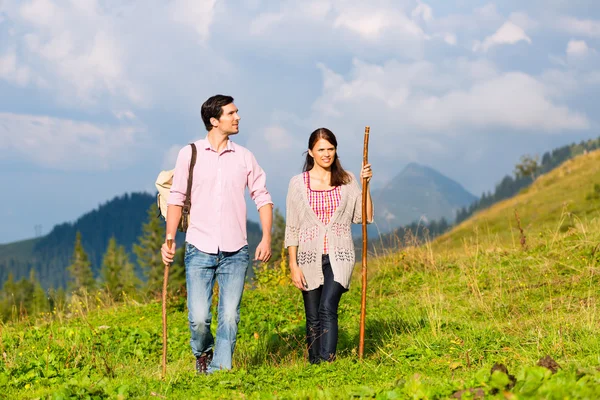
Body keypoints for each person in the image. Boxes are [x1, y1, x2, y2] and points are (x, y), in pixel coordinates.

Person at [161, 94, 273, 374]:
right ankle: (203, 353)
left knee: (230, 315)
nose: (237, 117)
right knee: (199, 317)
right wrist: (170, 238)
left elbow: (262, 196)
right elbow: (177, 196)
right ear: (214, 120)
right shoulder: (190, 153)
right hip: (199, 247)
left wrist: (267, 237)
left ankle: (219, 372)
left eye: (237, 112)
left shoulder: (245, 156)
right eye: (231, 113)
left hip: (236, 250)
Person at [284, 127, 373, 364]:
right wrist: (293, 265)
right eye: (321, 149)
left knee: (327, 307)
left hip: (340, 255)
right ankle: (315, 365)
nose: (326, 154)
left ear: (336, 150)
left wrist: (366, 186)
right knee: (312, 316)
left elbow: (364, 217)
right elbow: (292, 228)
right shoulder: (298, 184)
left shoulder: (347, 180)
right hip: (307, 257)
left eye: (331, 149)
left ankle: (328, 362)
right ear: (311, 152)